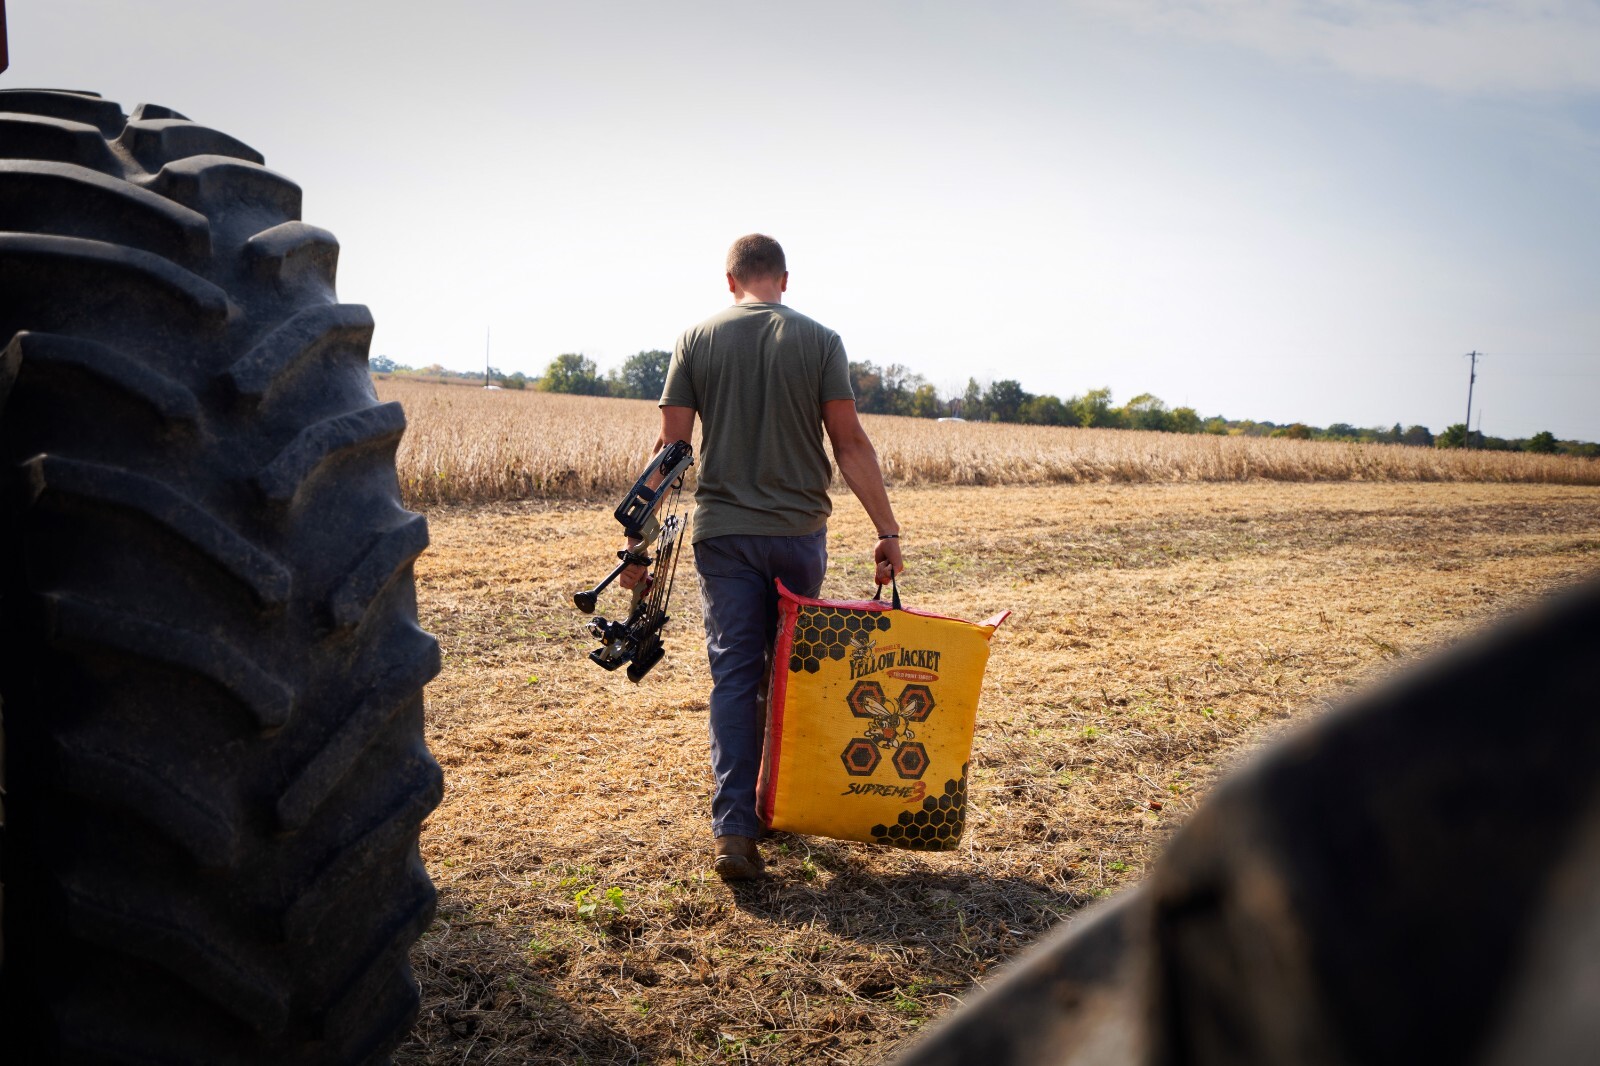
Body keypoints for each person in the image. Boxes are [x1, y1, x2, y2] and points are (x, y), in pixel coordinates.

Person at [620, 233, 904, 880]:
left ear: (730, 281)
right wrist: (887, 530)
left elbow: (671, 450)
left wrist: (639, 538)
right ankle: (772, 806)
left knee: (734, 676)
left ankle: (734, 829)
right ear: (785, 279)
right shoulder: (821, 341)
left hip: (724, 536)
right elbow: (850, 443)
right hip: (798, 534)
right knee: (786, 674)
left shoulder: (696, 339)